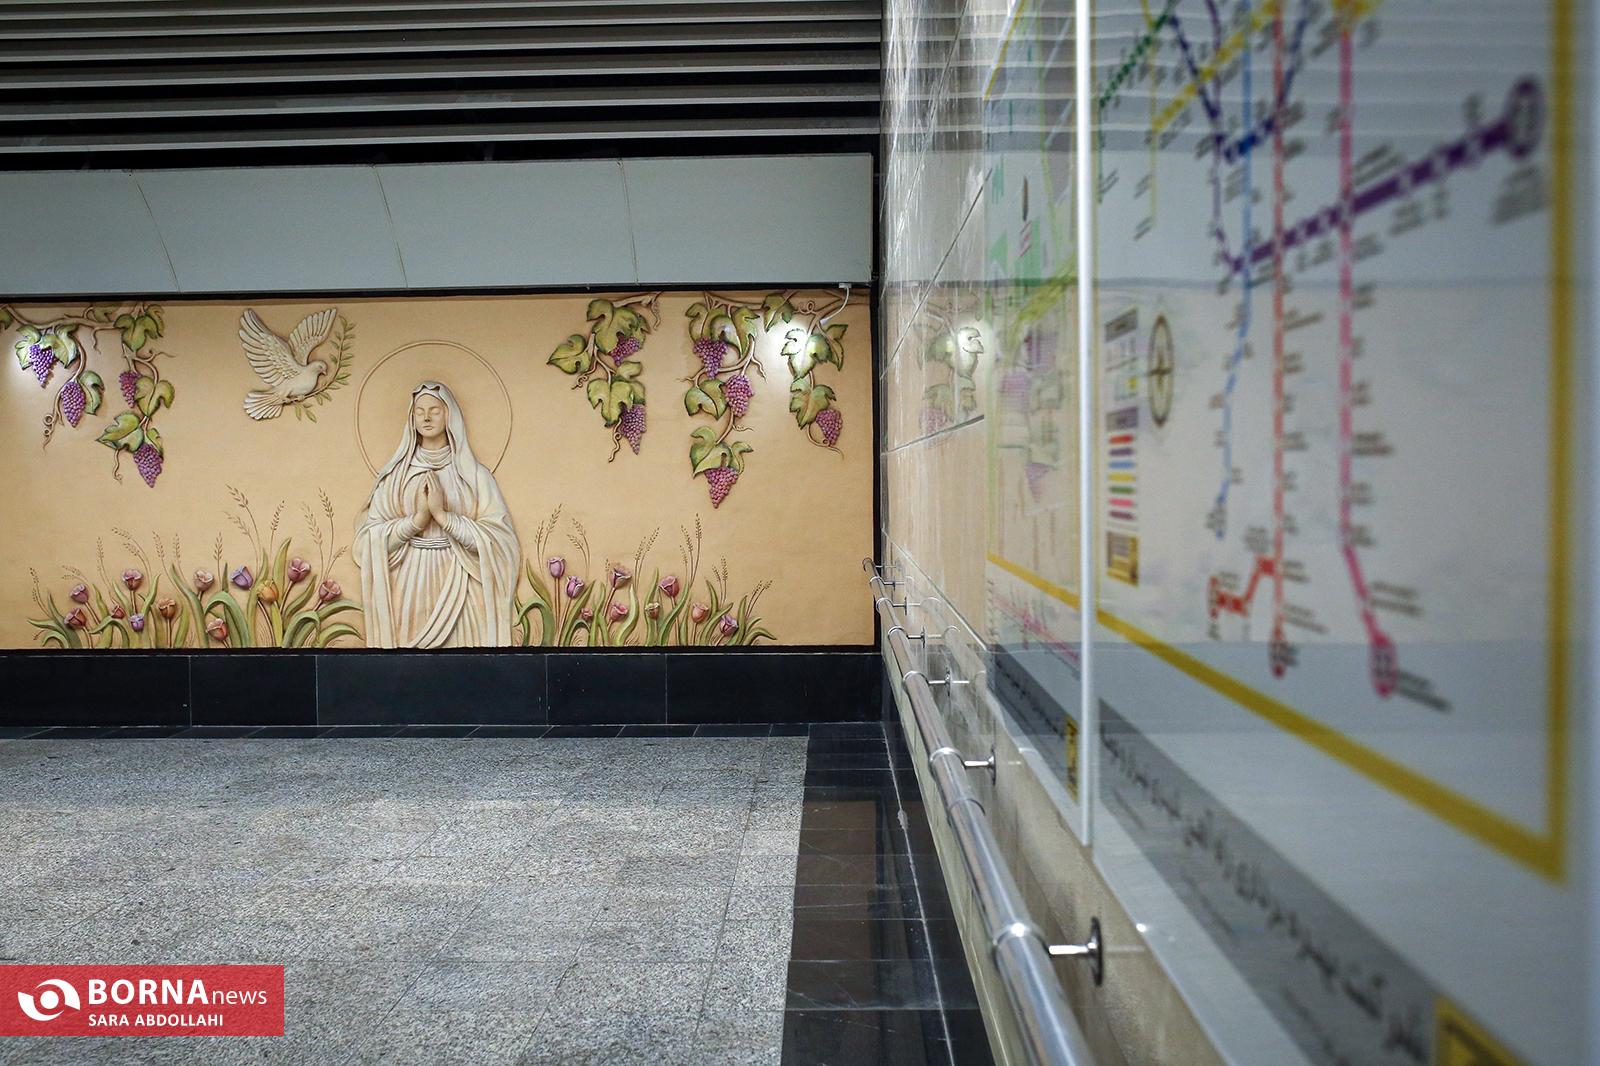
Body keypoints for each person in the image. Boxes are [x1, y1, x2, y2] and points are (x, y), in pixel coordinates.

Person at [354, 380, 520, 647]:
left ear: (449, 415)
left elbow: (499, 540)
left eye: (435, 410)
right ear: (412, 418)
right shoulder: (395, 477)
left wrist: (444, 517)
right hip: (410, 585)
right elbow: (366, 543)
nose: (427, 417)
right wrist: (417, 521)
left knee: (465, 655)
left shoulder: (474, 476)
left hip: (460, 582)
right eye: (419, 411)